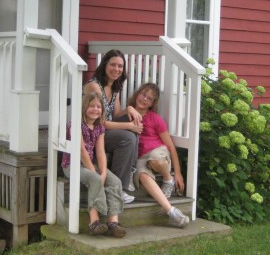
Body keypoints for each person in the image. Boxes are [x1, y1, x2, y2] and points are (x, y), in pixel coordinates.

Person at [60, 92, 127, 237]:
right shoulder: (76, 125)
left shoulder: (99, 127)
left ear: (102, 110)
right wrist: (95, 173)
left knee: (115, 181)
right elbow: (81, 150)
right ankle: (94, 223)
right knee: (95, 179)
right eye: (91, 106)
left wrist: (103, 172)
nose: (95, 109)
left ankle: (113, 223)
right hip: (73, 165)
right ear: (84, 107)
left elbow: (101, 152)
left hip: (91, 163)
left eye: (98, 107)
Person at [83, 49, 143, 204]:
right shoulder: (94, 86)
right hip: (93, 131)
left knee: (134, 121)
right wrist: (129, 126)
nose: (117, 69)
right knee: (129, 136)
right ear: (105, 65)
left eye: (120, 66)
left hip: (106, 130)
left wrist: (130, 109)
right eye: (113, 65)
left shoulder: (114, 86)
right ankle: (117, 188)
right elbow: (100, 121)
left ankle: (130, 170)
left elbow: (116, 114)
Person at [128, 83, 190, 228]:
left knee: (156, 159)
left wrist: (178, 174)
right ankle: (172, 212)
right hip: (140, 157)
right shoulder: (128, 115)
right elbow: (117, 116)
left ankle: (168, 180)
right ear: (137, 94)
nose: (144, 99)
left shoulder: (155, 118)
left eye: (149, 99)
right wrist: (130, 108)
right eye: (143, 94)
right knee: (142, 175)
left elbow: (171, 147)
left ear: (152, 103)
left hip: (158, 153)